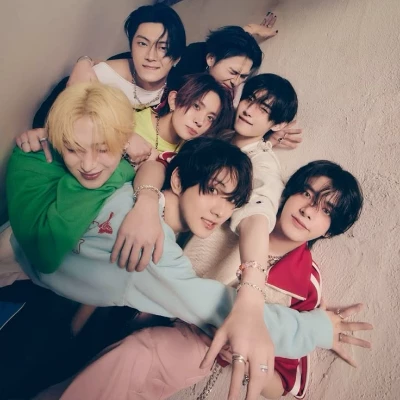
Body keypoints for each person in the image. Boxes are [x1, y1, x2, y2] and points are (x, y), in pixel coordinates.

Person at [2, 83, 368, 398]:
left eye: (232, 201)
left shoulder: (122, 180)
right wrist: (318, 329)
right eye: (212, 191)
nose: (220, 211)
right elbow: (218, 303)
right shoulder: (152, 245)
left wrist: (43, 142)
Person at [36, 161, 371, 400]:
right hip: (143, 302)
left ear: (331, 230)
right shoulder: (232, 215)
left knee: (131, 359)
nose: (309, 210)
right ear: (287, 193)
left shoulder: (307, 281)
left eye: (326, 210)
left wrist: (239, 353)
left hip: (193, 342)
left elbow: (287, 384)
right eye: (306, 194)